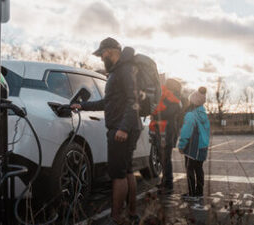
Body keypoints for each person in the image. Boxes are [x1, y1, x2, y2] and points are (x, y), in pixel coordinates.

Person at [71, 37, 142, 225]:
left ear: (110, 51)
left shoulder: (125, 70)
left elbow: (133, 100)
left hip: (122, 128)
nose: (102, 59)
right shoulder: (118, 71)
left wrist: (123, 128)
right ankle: (132, 214)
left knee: (118, 174)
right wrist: (83, 106)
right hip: (123, 126)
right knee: (126, 171)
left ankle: (115, 218)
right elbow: (107, 102)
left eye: (102, 55)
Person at [149, 78, 182, 194]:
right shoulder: (170, 98)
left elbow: (169, 113)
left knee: (165, 158)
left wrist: (155, 113)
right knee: (162, 158)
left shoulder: (173, 100)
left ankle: (168, 184)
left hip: (167, 131)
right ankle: (165, 181)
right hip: (164, 130)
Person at [178, 87, 210, 201]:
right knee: (199, 168)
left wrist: (181, 146)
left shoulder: (191, 114)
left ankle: (192, 194)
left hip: (193, 146)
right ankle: (199, 192)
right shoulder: (203, 113)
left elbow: (186, 131)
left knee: (190, 168)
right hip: (202, 145)